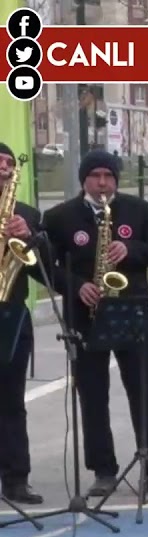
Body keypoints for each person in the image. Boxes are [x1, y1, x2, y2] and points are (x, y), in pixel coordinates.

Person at [43, 150, 148, 498]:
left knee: (144, 393)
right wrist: (76, 286)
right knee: (92, 395)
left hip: (133, 313)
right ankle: (103, 470)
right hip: (85, 316)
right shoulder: (59, 216)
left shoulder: (138, 209)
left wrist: (130, 249)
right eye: (95, 176)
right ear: (84, 179)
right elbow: (43, 266)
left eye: (108, 176)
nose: (102, 183)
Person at [0, 142, 54, 505]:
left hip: (11, 316)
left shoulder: (27, 214)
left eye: (8, 163)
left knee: (11, 402)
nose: (4, 168)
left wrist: (28, 237)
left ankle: (16, 479)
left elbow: (45, 269)